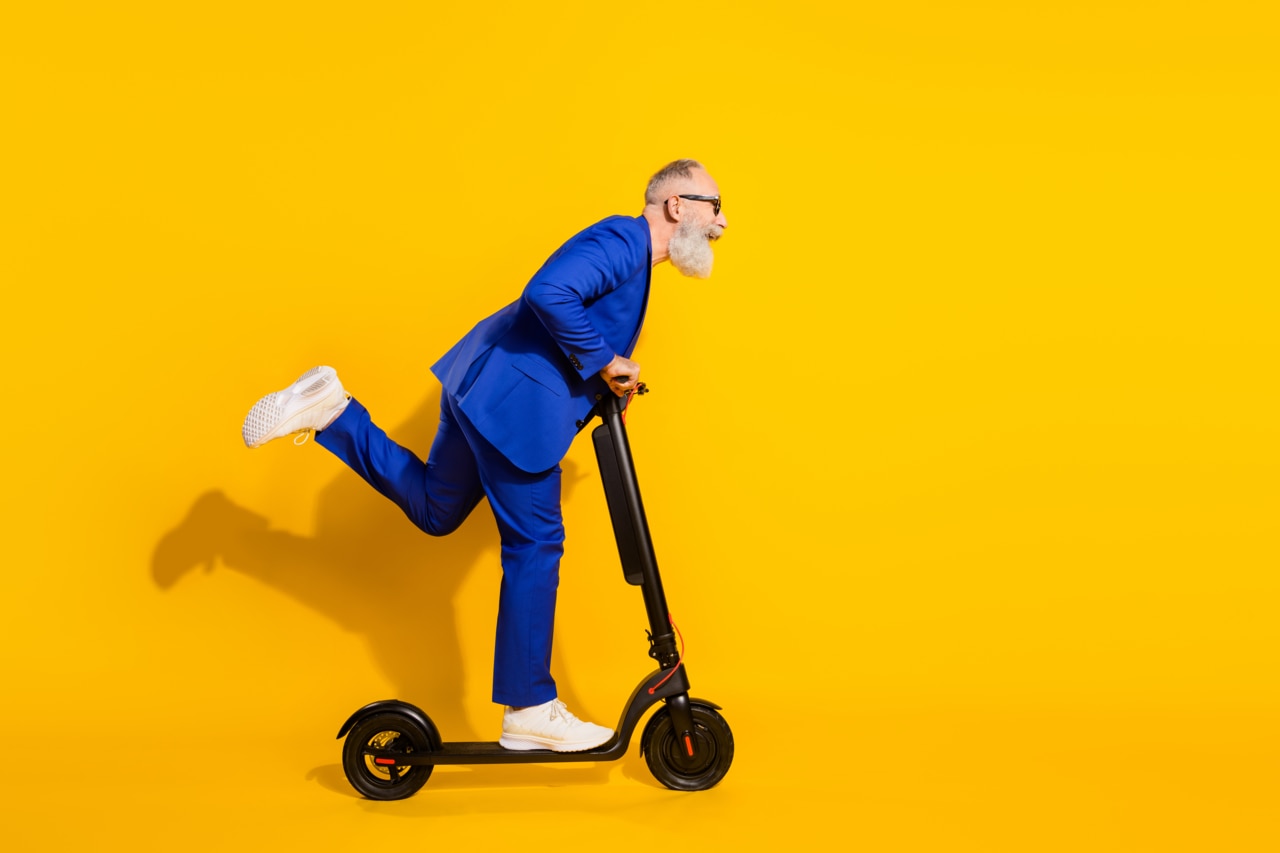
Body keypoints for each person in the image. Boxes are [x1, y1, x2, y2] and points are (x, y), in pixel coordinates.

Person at [241, 159, 727, 752]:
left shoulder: (635, 264)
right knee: (536, 544)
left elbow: (565, 320)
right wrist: (605, 360)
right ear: (678, 206)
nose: (721, 226)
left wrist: (608, 381)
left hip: (485, 390)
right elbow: (548, 291)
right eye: (715, 207)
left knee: (435, 510)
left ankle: (334, 411)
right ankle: (530, 706)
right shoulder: (623, 238)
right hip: (512, 410)